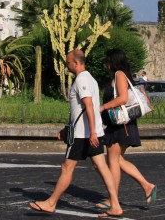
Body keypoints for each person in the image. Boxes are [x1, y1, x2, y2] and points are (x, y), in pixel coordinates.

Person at [29, 50, 122, 217]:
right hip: (90, 133)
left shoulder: (82, 80)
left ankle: (51, 203)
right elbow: (80, 110)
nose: (66, 66)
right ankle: (115, 205)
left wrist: (92, 132)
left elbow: (88, 107)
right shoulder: (90, 79)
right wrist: (68, 129)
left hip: (83, 135)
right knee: (102, 167)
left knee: (67, 167)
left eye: (68, 63)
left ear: (76, 63)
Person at [95, 49, 157, 211]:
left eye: (107, 61)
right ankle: (146, 186)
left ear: (113, 62)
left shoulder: (120, 75)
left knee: (114, 161)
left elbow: (123, 98)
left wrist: (103, 107)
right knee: (117, 160)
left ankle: (113, 198)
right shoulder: (120, 75)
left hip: (122, 125)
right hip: (117, 125)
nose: (106, 65)